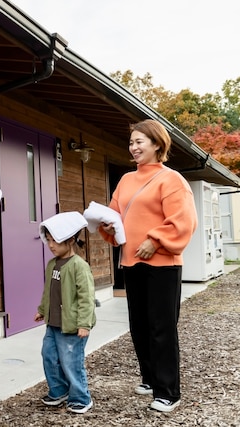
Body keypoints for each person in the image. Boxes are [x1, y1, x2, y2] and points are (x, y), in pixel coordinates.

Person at [99, 119, 197, 413]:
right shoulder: (127, 179)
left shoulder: (171, 179)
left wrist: (155, 241)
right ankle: (150, 378)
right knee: (139, 325)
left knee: (161, 327)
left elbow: (184, 220)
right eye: (131, 142)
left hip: (162, 263)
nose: (134, 147)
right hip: (131, 261)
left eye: (140, 141)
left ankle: (168, 391)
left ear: (157, 144)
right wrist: (105, 223)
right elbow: (115, 214)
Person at [34, 211, 96, 414]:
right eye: (49, 240)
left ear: (70, 240)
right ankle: (59, 390)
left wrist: (84, 324)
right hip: (53, 324)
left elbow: (86, 297)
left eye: (55, 241)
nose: (51, 245)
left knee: (71, 361)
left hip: (72, 325)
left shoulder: (79, 266)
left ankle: (80, 397)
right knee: (49, 356)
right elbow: (48, 291)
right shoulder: (52, 264)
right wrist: (42, 310)